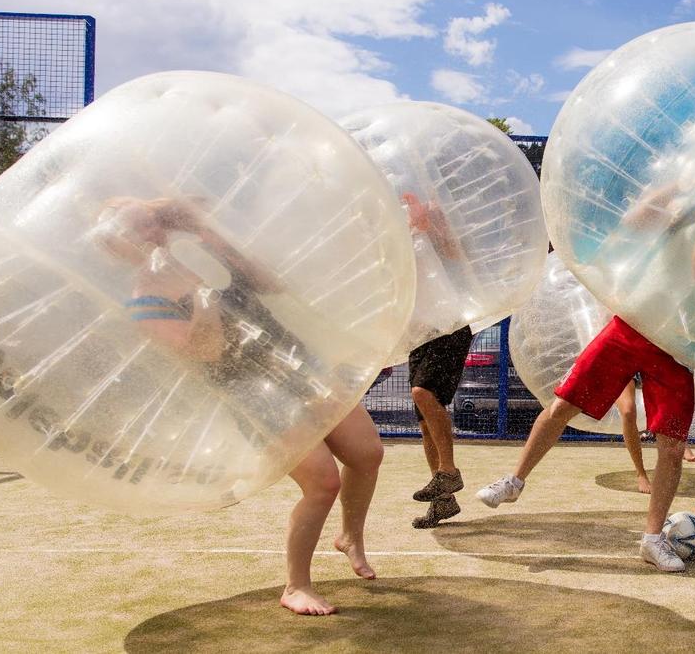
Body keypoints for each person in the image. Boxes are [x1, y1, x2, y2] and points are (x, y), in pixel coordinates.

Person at [94, 196, 384, 616]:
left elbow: (272, 284)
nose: (152, 234)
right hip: (248, 391)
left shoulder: (202, 249)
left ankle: (350, 536)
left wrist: (216, 242)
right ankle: (296, 586)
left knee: (367, 453)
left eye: (152, 223)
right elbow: (207, 352)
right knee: (322, 483)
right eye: (137, 230)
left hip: (297, 362)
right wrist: (203, 293)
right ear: (118, 247)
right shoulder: (144, 299)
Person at [476, 169, 695, 573]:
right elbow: (633, 220)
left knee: (672, 447)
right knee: (562, 405)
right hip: (631, 325)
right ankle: (514, 481)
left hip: (676, 346)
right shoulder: (683, 213)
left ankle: (652, 539)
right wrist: (677, 181)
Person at [398, 192, 475, 529]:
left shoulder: (434, 211)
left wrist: (431, 225)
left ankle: (449, 472)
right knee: (424, 423)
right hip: (419, 332)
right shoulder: (395, 224)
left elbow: (458, 255)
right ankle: (444, 502)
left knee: (422, 393)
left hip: (448, 324)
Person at [618, 377, 695, 495]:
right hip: (621, 366)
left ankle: (680, 440)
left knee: (668, 388)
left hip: (642, 363)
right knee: (628, 411)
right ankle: (641, 474)